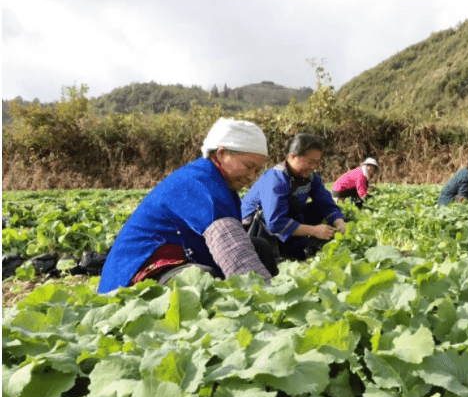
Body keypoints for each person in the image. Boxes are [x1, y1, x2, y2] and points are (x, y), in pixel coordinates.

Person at [98, 118, 279, 293]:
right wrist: (265, 297)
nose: (252, 176)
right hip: (137, 273)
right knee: (199, 281)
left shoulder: (218, 181)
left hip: (182, 253)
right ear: (222, 153)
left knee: (259, 247)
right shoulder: (199, 182)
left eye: (257, 170)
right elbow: (231, 247)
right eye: (249, 166)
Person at [241, 133, 346, 261]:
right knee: (293, 207)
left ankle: (297, 247)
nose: (314, 167)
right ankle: (283, 252)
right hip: (256, 228)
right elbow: (275, 223)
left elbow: (326, 203)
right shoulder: (276, 178)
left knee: (316, 208)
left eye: (317, 163)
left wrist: (339, 222)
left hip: (283, 220)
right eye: (311, 162)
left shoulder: (311, 177)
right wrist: (313, 230)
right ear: (292, 157)